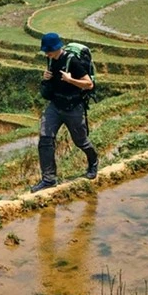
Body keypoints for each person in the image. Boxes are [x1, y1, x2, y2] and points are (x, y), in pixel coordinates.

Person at [31, 33, 99, 193]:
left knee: (80, 141)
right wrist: (45, 77)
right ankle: (49, 179)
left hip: (73, 107)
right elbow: (51, 82)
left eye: (48, 51)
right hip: (55, 105)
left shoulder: (72, 62)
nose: (46, 54)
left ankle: (93, 162)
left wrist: (70, 80)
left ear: (56, 48)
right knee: (45, 138)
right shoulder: (50, 60)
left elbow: (88, 84)